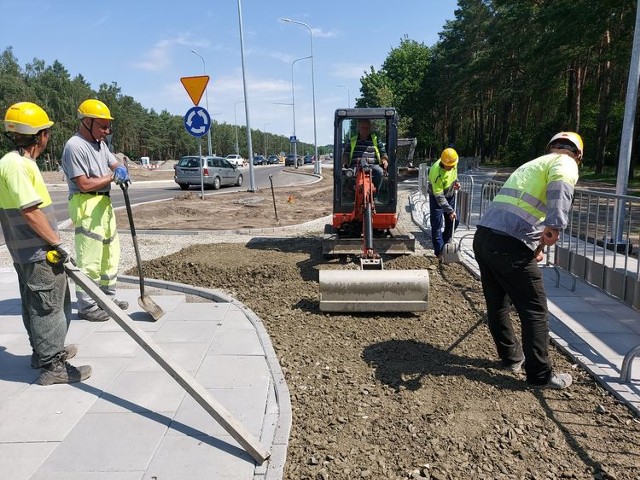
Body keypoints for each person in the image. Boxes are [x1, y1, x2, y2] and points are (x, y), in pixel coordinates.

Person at [472, 131, 583, 390]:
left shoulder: (533, 164)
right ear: (577, 154)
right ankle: (540, 375)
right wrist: (555, 225)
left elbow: (521, 207)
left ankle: (511, 358)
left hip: (485, 237)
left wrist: (535, 244)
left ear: (550, 146)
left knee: (498, 303)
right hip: (510, 244)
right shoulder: (565, 162)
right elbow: (561, 187)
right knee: (535, 310)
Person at [0, 102, 92, 385]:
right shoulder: (16, 165)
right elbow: (30, 210)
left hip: (26, 252)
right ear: (39, 135)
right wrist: (57, 242)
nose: (48, 137)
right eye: (47, 132)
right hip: (39, 252)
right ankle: (53, 366)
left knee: (36, 304)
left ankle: (45, 352)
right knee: (48, 307)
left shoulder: (13, 162)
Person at [61, 99, 130, 323]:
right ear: (87, 122)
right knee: (90, 258)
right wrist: (112, 176)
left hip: (103, 204)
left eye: (108, 127)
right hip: (86, 203)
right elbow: (84, 184)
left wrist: (120, 169)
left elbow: (115, 163)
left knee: (110, 254)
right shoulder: (75, 147)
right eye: (102, 126)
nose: (107, 131)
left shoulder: (100, 144)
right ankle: (87, 306)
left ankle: (106, 298)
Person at [428, 148, 459, 260]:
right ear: (444, 163)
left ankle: (445, 244)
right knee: (437, 225)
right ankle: (439, 252)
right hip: (437, 198)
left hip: (450, 195)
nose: (452, 167)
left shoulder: (453, 162)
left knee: (455, 221)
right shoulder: (435, 172)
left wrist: (456, 183)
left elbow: (454, 175)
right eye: (449, 166)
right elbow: (439, 196)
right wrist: (449, 210)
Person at [343, 118, 388, 194]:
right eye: (363, 128)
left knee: (380, 172)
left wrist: (384, 160)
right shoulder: (352, 140)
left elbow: (383, 153)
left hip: (372, 166)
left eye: (367, 128)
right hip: (355, 166)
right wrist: (345, 163)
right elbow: (345, 154)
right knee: (347, 174)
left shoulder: (376, 140)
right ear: (359, 128)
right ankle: (350, 193)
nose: (365, 130)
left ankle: (375, 193)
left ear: (370, 128)